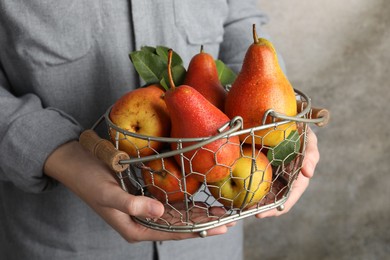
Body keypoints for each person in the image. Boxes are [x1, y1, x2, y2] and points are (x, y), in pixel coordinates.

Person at [0, 1, 320, 259]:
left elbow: (237, 20)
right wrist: (61, 154)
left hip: (211, 237)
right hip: (64, 238)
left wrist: (276, 121)